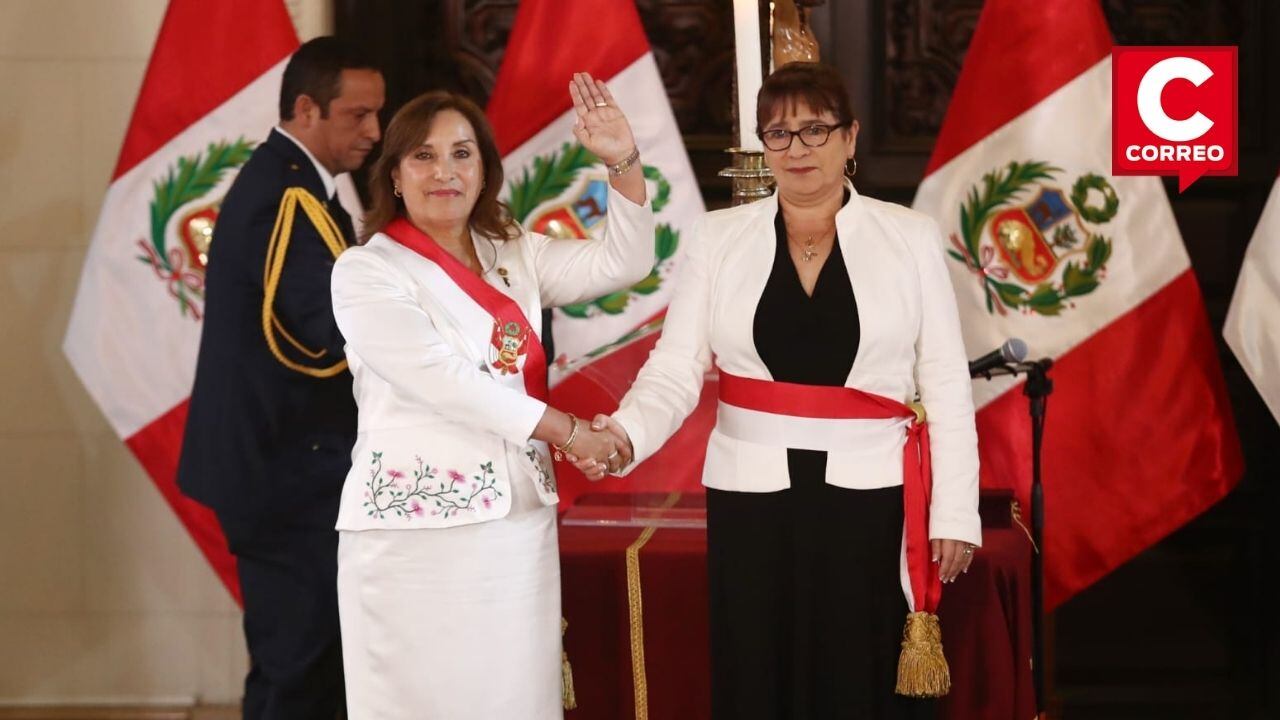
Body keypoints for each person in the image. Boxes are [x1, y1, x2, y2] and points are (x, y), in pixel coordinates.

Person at [580, 62, 981, 719]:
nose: (798, 150)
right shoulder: (720, 236)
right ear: (761, 144)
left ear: (850, 138)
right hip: (751, 498)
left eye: (815, 130)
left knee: (860, 673)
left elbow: (943, 378)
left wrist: (955, 513)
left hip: (872, 495)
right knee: (757, 671)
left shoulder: (908, 236)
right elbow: (676, 366)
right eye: (780, 134)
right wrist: (622, 434)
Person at [328, 74, 652, 719]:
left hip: (514, 525)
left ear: (484, 171)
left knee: (513, 699)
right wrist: (569, 431)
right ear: (393, 175)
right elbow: (445, 384)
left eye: (461, 153)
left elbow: (625, 263)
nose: (443, 171)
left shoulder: (515, 253)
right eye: (423, 155)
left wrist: (621, 160)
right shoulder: (366, 269)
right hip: (413, 529)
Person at [177, 37, 385, 720]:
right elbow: (322, 339)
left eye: (376, 115)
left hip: (289, 467)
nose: (374, 133)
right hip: (287, 472)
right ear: (305, 108)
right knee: (299, 667)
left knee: (307, 664)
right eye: (357, 115)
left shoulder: (294, 184)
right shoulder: (284, 197)